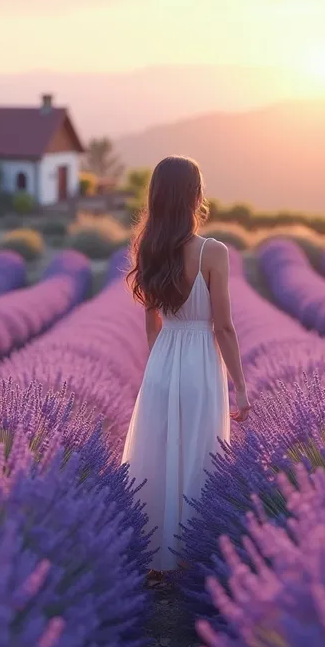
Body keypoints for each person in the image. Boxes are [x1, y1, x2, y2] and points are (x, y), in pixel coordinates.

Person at [122, 155, 250, 572]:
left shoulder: (149, 247)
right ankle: (191, 561)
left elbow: (151, 323)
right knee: (200, 455)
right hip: (199, 365)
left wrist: (159, 370)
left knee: (156, 457)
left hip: (162, 363)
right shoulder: (213, 252)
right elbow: (224, 328)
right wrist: (242, 388)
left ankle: (150, 559)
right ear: (195, 196)